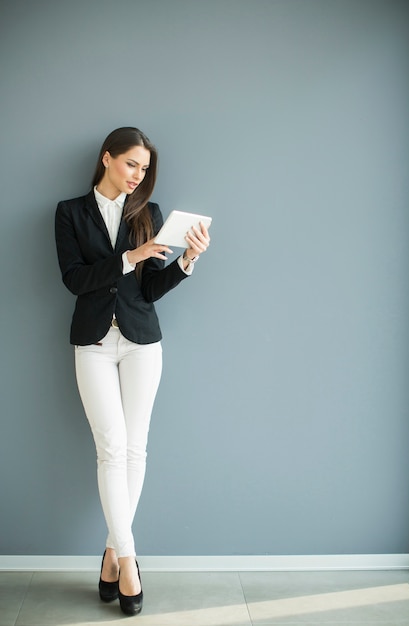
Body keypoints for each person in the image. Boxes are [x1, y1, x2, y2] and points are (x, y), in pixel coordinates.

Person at [55, 127, 210, 616]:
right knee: (111, 448)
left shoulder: (151, 214)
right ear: (107, 158)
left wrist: (186, 260)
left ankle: (109, 556)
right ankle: (128, 560)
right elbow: (75, 280)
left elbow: (150, 289)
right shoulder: (69, 213)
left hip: (142, 342)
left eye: (144, 169)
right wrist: (127, 258)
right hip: (94, 343)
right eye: (131, 165)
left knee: (136, 447)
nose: (138, 176)